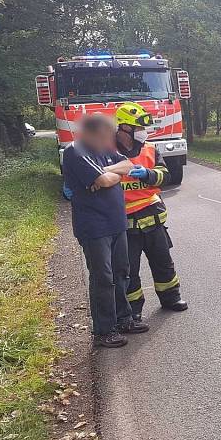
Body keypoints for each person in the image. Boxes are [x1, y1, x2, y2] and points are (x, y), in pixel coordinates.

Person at [62, 113, 149, 348]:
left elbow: (128, 164)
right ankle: (104, 330)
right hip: (94, 226)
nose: (109, 140)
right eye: (104, 135)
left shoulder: (104, 149)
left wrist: (108, 171)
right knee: (103, 278)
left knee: (121, 272)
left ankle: (124, 319)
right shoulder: (74, 151)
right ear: (90, 133)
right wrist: (109, 174)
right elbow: (103, 181)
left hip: (116, 222)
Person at [114, 102, 188, 321]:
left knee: (163, 263)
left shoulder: (149, 149)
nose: (142, 132)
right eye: (139, 127)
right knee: (128, 271)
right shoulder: (107, 152)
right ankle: (133, 310)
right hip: (126, 226)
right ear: (124, 128)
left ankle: (171, 298)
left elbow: (166, 176)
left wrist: (147, 174)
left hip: (153, 220)